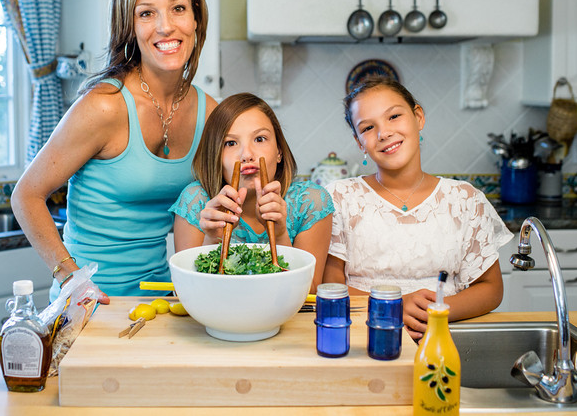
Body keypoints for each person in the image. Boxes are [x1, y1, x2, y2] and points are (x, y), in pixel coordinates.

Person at [11, 0, 218, 304]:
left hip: (159, 301)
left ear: (196, 17)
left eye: (178, 8)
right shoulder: (104, 105)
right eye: (146, 13)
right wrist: (70, 279)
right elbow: (26, 196)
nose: (165, 26)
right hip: (87, 305)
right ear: (129, 25)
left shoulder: (209, 112)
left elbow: (211, 212)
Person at [322, 77, 512, 340]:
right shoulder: (339, 198)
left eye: (394, 116)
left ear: (418, 117)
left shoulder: (465, 200)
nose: (384, 133)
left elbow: (490, 289)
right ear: (359, 143)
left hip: (445, 340)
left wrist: (433, 312)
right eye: (367, 128)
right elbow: (331, 288)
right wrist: (393, 308)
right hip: (364, 338)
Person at [170, 93, 333, 291]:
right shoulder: (196, 201)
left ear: (279, 151)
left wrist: (280, 233)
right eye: (230, 143)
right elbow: (187, 291)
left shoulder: (311, 202)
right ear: (216, 157)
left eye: (260, 139)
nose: (247, 155)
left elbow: (310, 291)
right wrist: (212, 239)